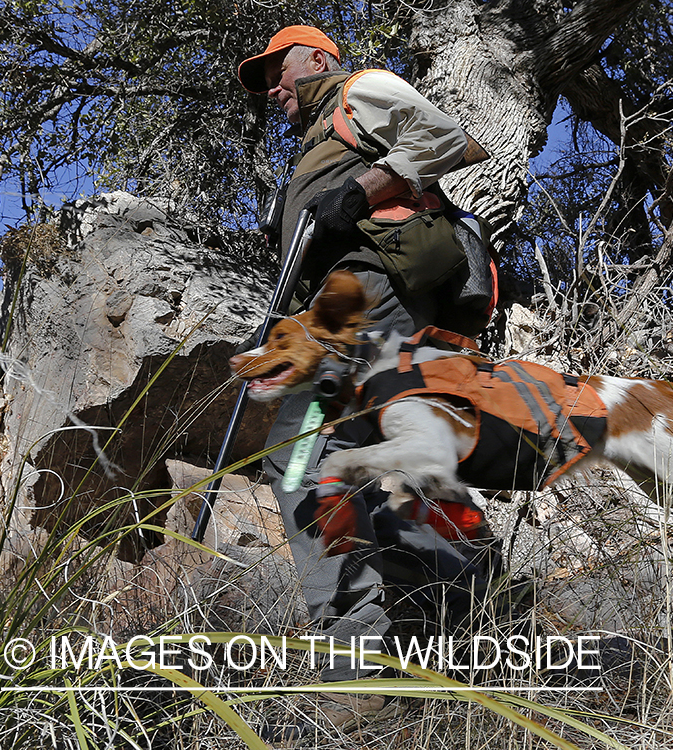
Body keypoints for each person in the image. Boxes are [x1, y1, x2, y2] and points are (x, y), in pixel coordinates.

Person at [236, 25, 498, 733]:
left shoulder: (361, 90)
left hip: (363, 300)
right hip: (345, 310)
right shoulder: (316, 138)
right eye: (261, 81)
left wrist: (360, 189)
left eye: (276, 71)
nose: (271, 89)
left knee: (299, 461)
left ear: (317, 58)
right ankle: (464, 594)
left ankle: (355, 671)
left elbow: (452, 137)